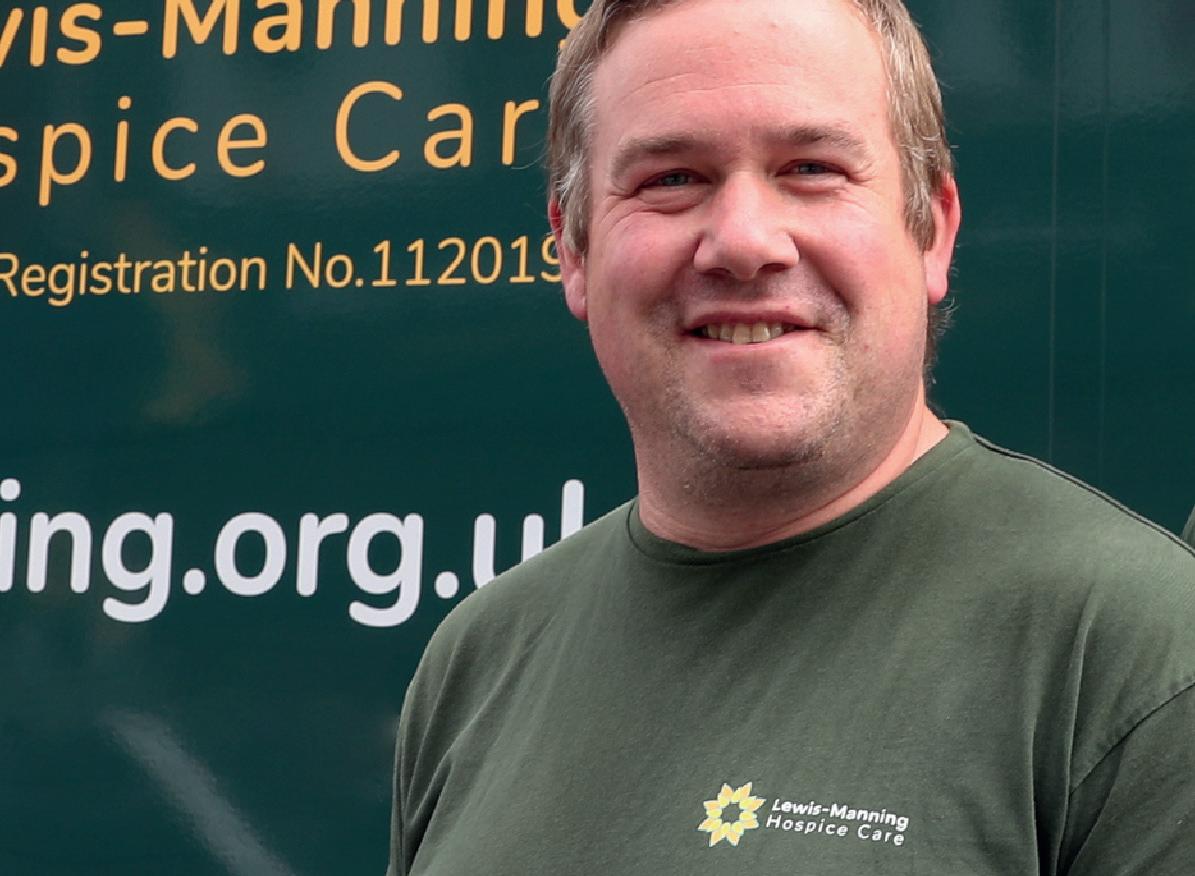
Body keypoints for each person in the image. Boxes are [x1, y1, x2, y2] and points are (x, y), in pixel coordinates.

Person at [387, 0, 1195, 872]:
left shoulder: (1134, 651)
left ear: (932, 229)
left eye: (811, 168)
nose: (743, 242)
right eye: (671, 179)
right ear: (573, 252)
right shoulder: (478, 660)